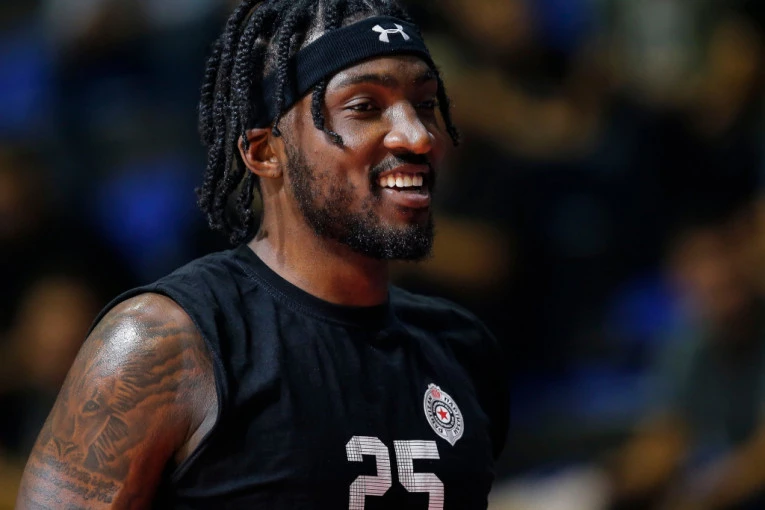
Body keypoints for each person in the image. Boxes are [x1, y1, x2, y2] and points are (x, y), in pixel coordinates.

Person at [15, 0, 509, 508]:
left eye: (425, 104)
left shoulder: (460, 347)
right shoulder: (166, 343)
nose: (420, 136)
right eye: (364, 107)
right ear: (264, 152)